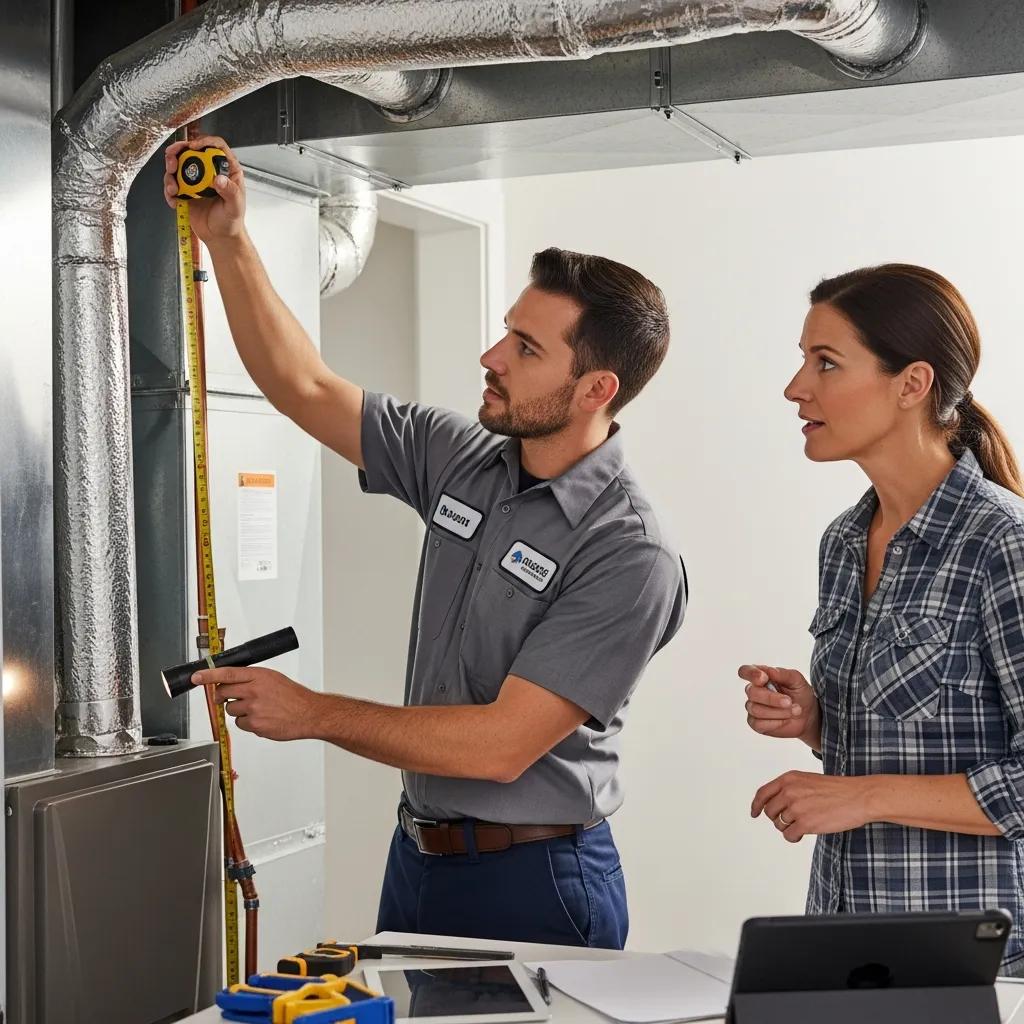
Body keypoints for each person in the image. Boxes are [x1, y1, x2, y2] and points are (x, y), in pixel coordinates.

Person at [163, 136, 686, 949]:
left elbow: (504, 744)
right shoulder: (464, 459)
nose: (491, 357)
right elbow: (303, 386)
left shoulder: (628, 553)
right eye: (506, 333)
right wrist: (228, 238)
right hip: (417, 860)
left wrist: (314, 714)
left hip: (536, 883)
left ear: (596, 390)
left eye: (525, 348)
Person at [739, 264, 1024, 973]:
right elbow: (917, 740)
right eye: (803, 360)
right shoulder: (842, 542)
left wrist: (857, 797)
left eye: (825, 363)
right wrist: (815, 722)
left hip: (978, 969)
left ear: (912, 384)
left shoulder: (1004, 545)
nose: (796, 387)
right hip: (848, 948)